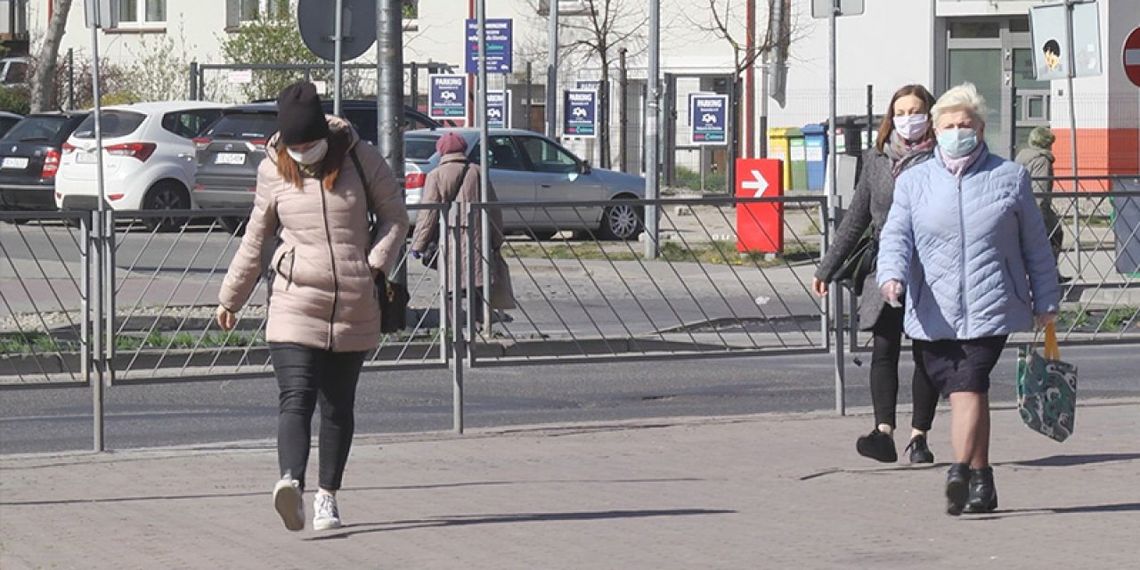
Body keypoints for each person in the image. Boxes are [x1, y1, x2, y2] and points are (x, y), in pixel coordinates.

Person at [215, 81, 410, 532]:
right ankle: (290, 484)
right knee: (296, 397)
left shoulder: (361, 158)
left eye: (310, 143)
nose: (303, 152)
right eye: (295, 145)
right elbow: (256, 237)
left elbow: (395, 217)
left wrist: (375, 266)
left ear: (325, 132)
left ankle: (328, 497)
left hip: (354, 301)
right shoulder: (272, 170)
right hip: (294, 298)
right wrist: (231, 297)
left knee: (338, 405)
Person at [877, 83, 1060, 516]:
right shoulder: (914, 180)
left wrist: (1046, 299)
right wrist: (891, 275)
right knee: (966, 391)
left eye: (966, 124)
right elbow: (896, 235)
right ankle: (983, 479)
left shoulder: (1009, 177)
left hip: (992, 301)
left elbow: (1036, 243)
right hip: (933, 307)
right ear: (936, 130)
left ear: (980, 129)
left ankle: (959, 469)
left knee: (968, 385)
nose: (958, 130)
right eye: (949, 124)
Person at [813, 84, 942, 465]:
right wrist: (827, 266)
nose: (908, 119)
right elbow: (855, 219)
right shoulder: (877, 160)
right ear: (891, 117)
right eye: (900, 112)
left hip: (928, 271)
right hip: (885, 270)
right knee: (883, 350)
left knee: (926, 353)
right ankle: (883, 432)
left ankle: (919, 437)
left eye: (915, 111)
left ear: (929, 115)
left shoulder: (940, 159)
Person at [410, 132, 515, 316]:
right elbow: (494, 209)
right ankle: (479, 328)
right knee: (477, 285)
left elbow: (428, 214)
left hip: (450, 239)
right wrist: (497, 239)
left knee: (451, 287)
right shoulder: (478, 171)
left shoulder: (436, 175)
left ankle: (453, 330)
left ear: (441, 151)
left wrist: (418, 244)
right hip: (478, 239)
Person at [1015, 126, 1065, 274]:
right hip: (1037, 208)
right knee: (1055, 235)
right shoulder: (1042, 160)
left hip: (1022, 204)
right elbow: (1040, 189)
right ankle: (1049, 273)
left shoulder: (1022, 156)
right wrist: (1040, 214)